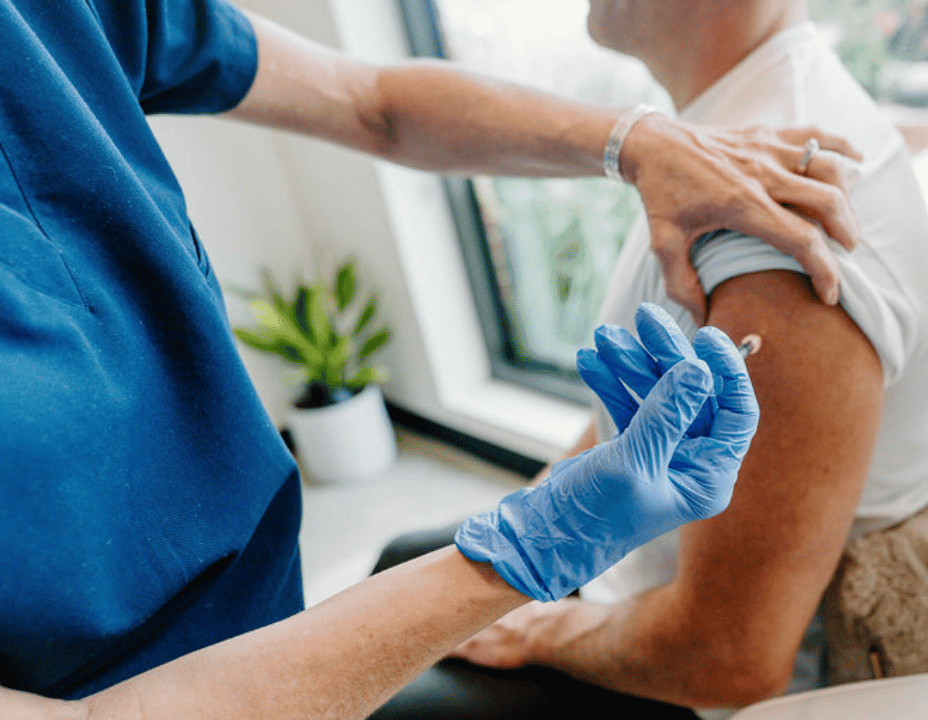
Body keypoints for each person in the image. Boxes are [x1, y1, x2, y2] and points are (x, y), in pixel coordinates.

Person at [0, 0, 862, 715]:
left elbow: (367, 96)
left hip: (249, 598)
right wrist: (521, 561)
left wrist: (633, 140)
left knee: (399, 560)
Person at [449, 0, 928, 713]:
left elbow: (726, 659)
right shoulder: (723, 137)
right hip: (628, 581)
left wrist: (541, 631)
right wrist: (527, 520)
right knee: (409, 568)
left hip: (687, 684)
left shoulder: (776, 233)